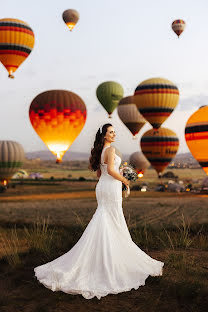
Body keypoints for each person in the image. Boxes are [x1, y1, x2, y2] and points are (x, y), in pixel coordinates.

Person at [34, 123, 164, 300]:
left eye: (114, 132)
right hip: (111, 187)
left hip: (103, 187)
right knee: (112, 219)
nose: (114, 134)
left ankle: (102, 256)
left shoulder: (99, 152)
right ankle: (110, 261)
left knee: (106, 218)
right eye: (111, 132)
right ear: (104, 136)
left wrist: (118, 174)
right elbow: (111, 170)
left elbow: (100, 174)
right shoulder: (110, 151)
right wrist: (125, 180)